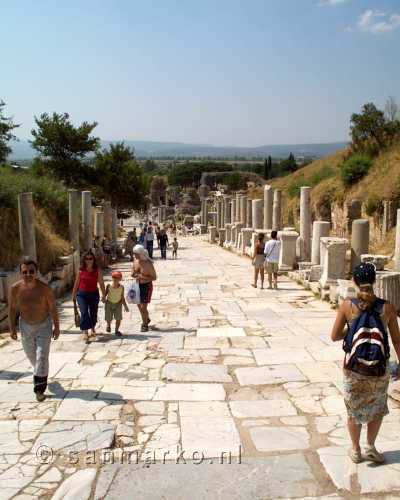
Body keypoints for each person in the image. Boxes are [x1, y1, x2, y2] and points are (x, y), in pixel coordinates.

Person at [330, 263, 400, 464]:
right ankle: (370, 446)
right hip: (379, 369)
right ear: (375, 281)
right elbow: (396, 340)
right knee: (377, 406)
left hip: (353, 369)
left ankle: (355, 449)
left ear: (354, 281)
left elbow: (334, 336)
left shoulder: (347, 306)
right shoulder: (387, 307)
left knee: (354, 409)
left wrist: (351, 330)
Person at [8, 259, 60, 401]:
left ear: (36, 272)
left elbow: (53, 308)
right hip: (25, 327)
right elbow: (12, 309)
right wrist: (12, 328)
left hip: (44, 325)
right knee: (34, 359)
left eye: (31, 271)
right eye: (25, 272)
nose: (28, 274)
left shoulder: (44, 289)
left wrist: (57, 327)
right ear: (20, 273)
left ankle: (39, 390)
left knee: (41, 356)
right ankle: (42, 372)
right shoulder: (15, 289)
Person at [72, 250, 106, 344]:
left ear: (93, 259)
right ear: (84, 259)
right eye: (86, 258)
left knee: (93, 313)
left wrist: (104, 295)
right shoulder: (81, 270)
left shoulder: (97, 270)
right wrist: (73, 295)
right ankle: (85, 331)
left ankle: (92, 328)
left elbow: (101, 283)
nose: (89, 260)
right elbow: (76, 283)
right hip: (81, 294)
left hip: (94, 294)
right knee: (84, 312)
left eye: (90, 258)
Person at [131, 244, 157, 332]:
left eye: (135, 253)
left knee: (143, 307)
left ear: (140, 253)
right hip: (137, 285)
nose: (134, 255)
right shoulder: (135, 260)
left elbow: (154, 277)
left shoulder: (148, 264)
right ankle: (146, 318)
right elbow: (133, 270)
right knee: (139, 306)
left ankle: (144, 324)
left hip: (147, 286)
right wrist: (133, 273)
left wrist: (142, 277)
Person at [105, 271, 129, 336]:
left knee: (118, 318)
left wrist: (125, 306)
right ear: (112, 278)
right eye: (114, 277)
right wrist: (103, 298)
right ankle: (108, 325)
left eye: (117, 278)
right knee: (108, 317)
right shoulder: (109, 285)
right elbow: (105, 294)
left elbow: (122, 297)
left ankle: (116, 330)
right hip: (109, 303)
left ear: (120, 279)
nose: (115, 279)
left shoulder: (121, 287)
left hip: (118, 304)